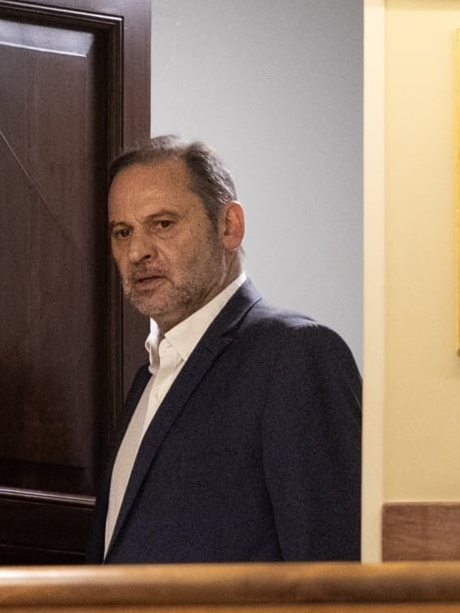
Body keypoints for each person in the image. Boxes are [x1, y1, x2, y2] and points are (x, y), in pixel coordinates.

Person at [87, 135, 362, 563]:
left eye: (163, 224)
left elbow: (333, 569)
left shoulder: (295, 355)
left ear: (229, 226)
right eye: (123, 232)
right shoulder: (148, 377)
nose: (137, 252)